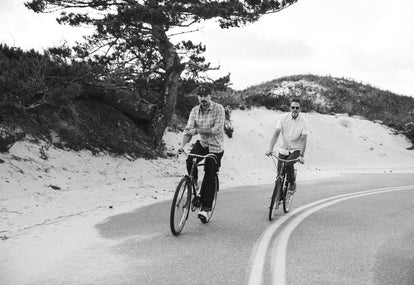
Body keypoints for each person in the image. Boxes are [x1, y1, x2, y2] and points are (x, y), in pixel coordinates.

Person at [178, 85, 225, 222]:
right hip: (203, 144)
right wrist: (182, 146)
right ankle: (194, 185)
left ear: (210, 96)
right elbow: (189, 130)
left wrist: (197, 131)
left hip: (215, 147)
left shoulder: (218, 109)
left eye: (205, 95)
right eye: (200, 96)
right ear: (198, 97)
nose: (203, 98)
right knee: (190, 160)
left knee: (210, 176)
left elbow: (216, 130)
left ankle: (205, 209)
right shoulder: (195, 110)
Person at [265, 98, 308, 191]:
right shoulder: (283, 118)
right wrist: (270, 149)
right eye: (293, 107)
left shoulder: (304, 121)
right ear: (290, 108)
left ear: (300, 109)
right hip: (283, 149)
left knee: (288, 164)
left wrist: (301, 155)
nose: (295, 109)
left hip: (295, 149)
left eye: (297, 107)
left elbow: (303, 140)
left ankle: (292, 183)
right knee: (279, 175)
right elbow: (276, 134)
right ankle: (277, 198)